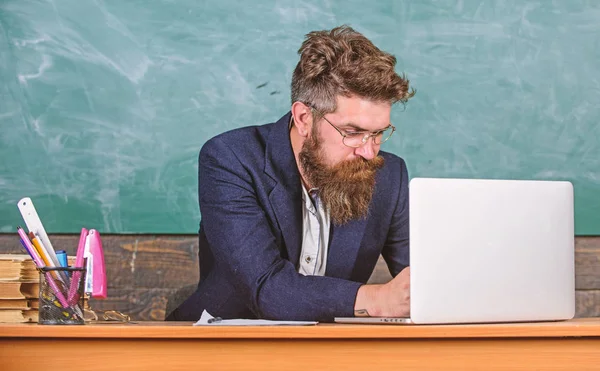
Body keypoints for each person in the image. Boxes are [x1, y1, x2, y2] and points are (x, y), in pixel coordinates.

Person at [167, 25, 415, 322]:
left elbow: (424, 280)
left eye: (378, 133)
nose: (369, 151)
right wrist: (377, 299)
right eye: (353, 132)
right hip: (222, 347)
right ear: (304, 118)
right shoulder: (230, 158)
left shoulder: (390, 175)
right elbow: (266, 288)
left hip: (333, 352)